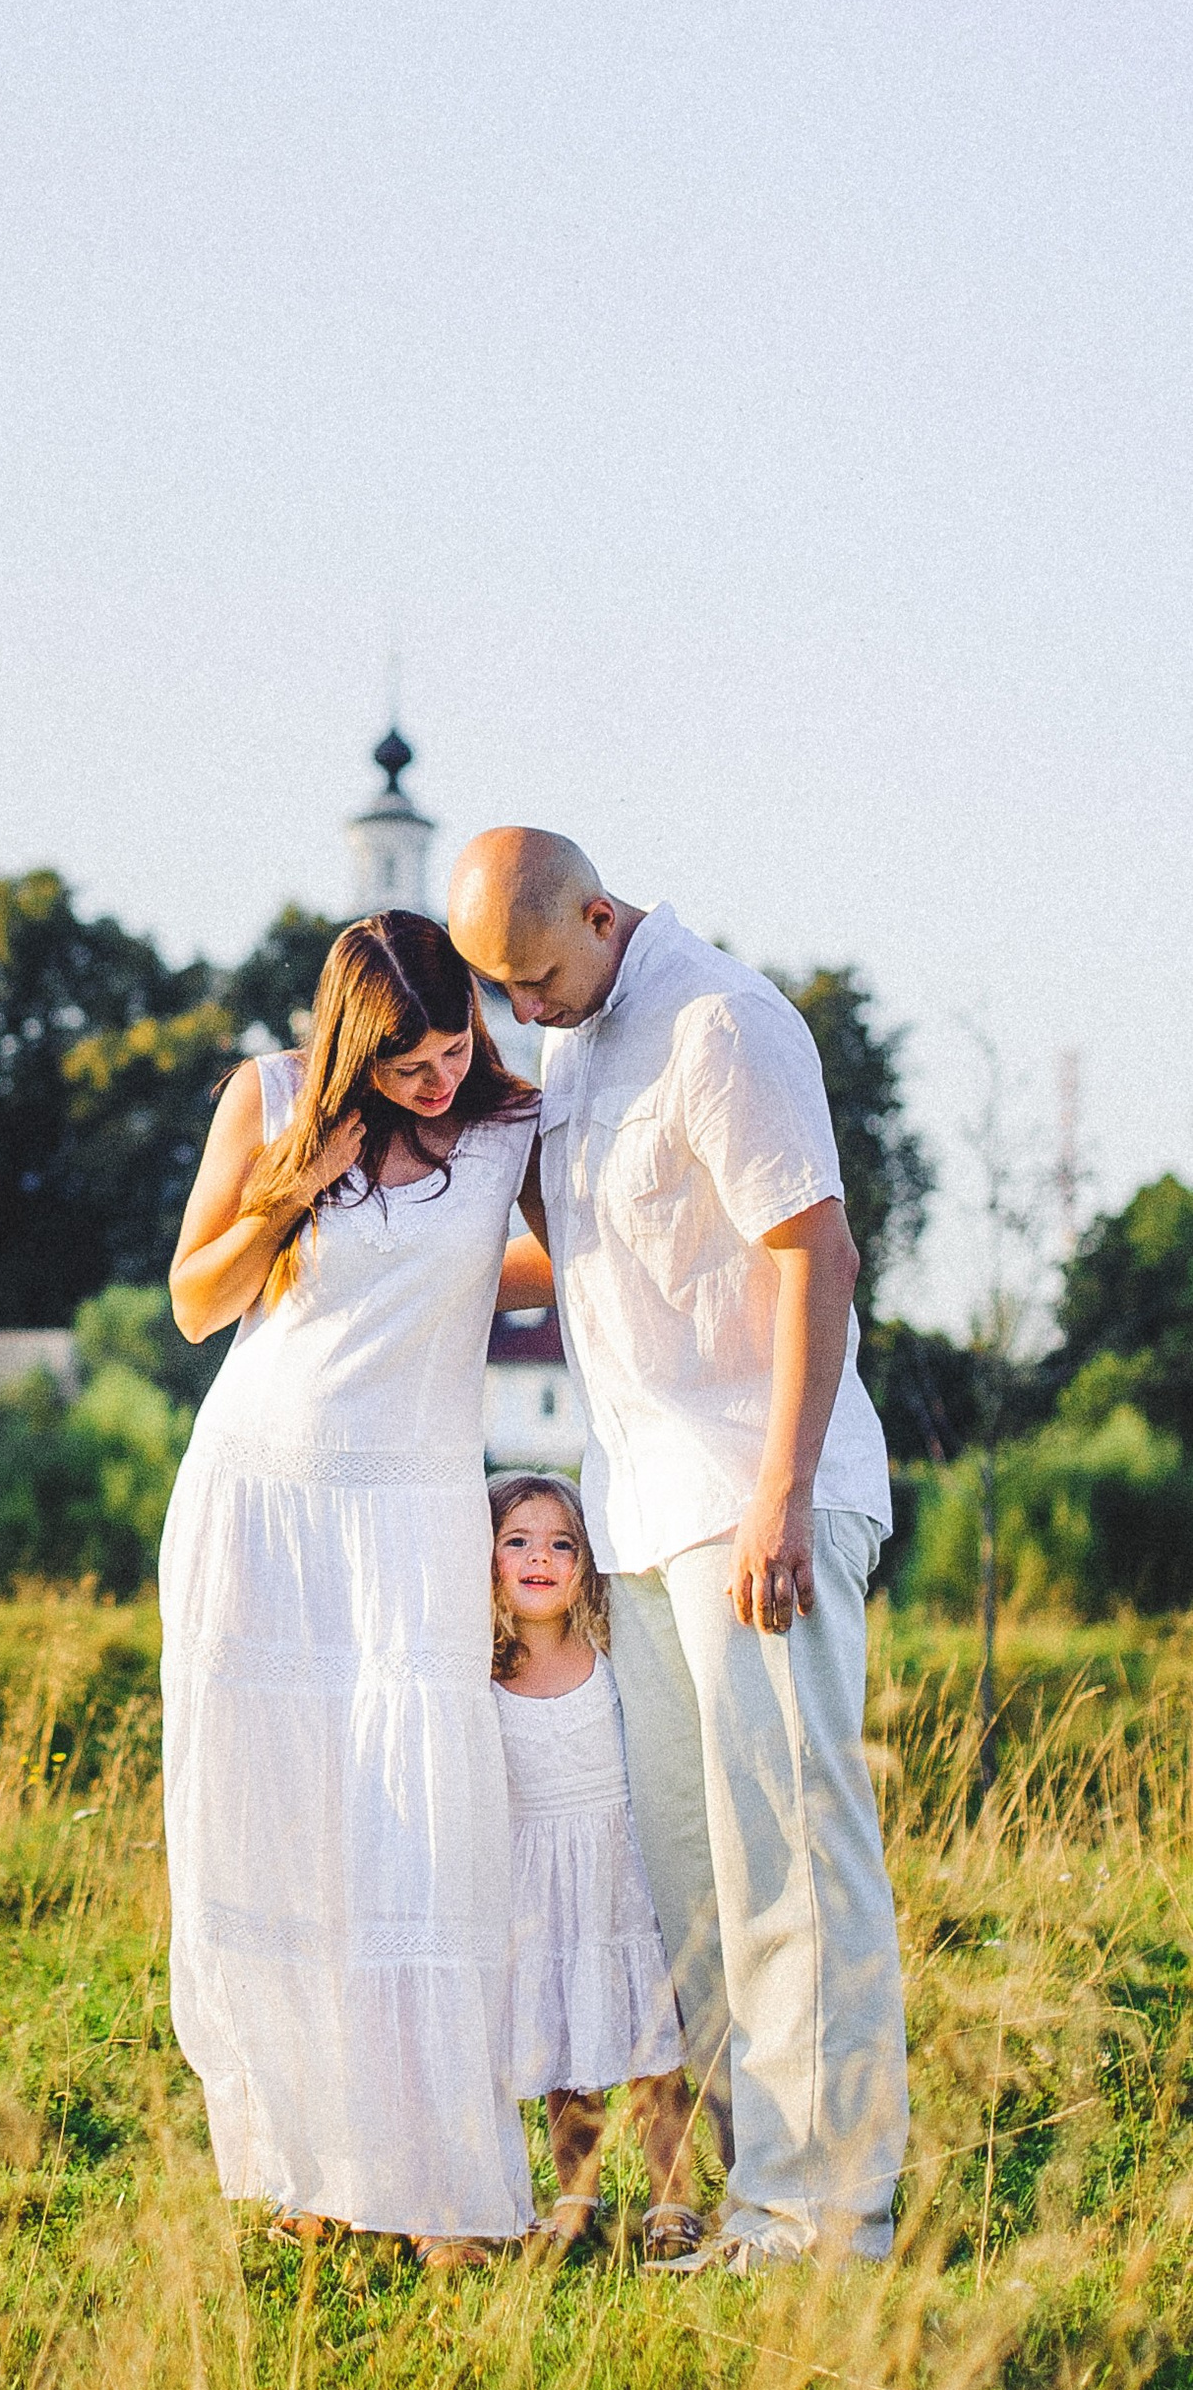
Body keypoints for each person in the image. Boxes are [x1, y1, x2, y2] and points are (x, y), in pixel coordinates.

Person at [446, 829, 909, 2270]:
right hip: (638, 1515)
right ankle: (758, 2190)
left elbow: (814, 1252)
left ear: (600, 911)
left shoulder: (722, 1024)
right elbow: (579, 1255)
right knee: (692, 1881)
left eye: (537, 975)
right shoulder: (583, 1043)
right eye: (500, 991)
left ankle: (827, 2219)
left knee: (790, 1859)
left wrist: (779, 1489)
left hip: (751, 1500)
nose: (528, 1009)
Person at [159, 911, 541, 2270]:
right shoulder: (265, 1094)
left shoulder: (512, 1127)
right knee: (281, 1833)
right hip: (260, 1496)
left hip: (410, 1506)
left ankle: (442, 2189)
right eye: (411, 1063)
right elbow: (198, 1300)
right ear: (346, 1045)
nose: (439, 1078)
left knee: (424, 1841)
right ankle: (310, 2167)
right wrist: (289, 1182)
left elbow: (585, 1264)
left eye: (455, 1047)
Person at [487, 1470, 704, 2263]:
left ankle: (672, 2194)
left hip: (617, 1874)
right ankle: (576, 2193)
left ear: (586, 1562)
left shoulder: (610, 1654)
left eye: (561, 1542)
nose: (539, 1556)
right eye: (517, 1541)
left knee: (652, 2050)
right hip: (539, 1883)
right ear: (486, 1560)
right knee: (561, 2046)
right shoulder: (482, 1672)